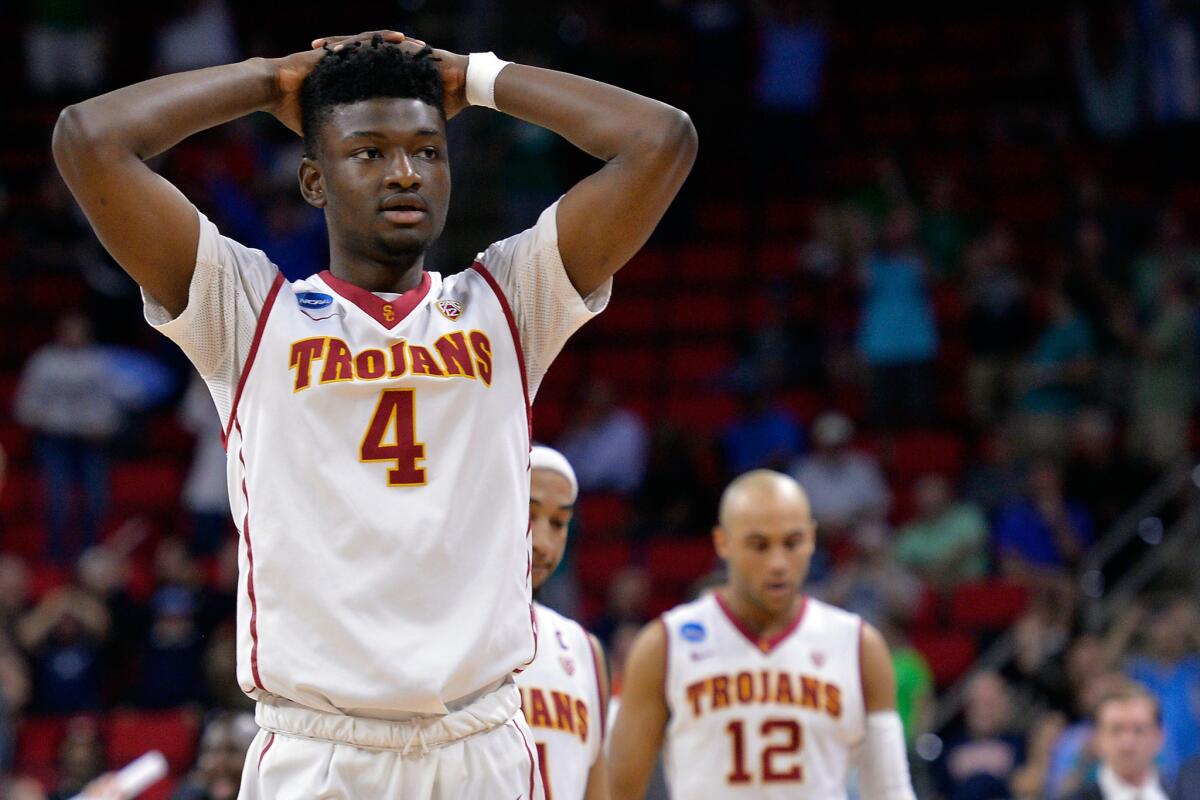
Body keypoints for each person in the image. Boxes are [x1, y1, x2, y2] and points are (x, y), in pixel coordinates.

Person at [53, 28, 696, 798]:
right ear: (313, 180)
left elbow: (662, 140)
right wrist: (270, 79)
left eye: (428, 151)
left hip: (479, 743)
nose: (405, 173)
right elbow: (88, 139)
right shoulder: (252, 312)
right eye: (368, 152)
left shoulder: (507, 302)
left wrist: (476, 76)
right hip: (321, 752)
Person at [608, 470, 915, 799]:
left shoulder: (858, 646)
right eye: (759, 545)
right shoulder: (665, 644)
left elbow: (890, 791)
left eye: (792, 543)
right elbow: (618, 793)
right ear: (722, 542)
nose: (778, 563)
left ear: (811, 538)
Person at [517, 446, 610, 800]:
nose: (542, 543)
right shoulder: (443, 634)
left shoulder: (584, 648)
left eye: (558, 523)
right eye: (529, 515)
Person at [1062, 682, 1170, 800]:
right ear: (1096, 739)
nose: (1127, 744)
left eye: (1139, 730)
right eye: (1116, 730)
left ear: (1159, 737)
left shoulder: (1183, 794)